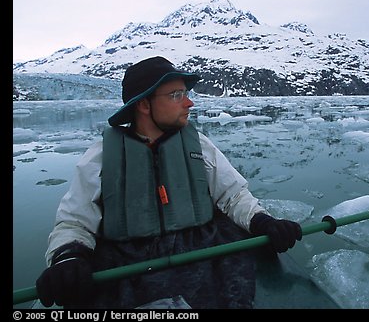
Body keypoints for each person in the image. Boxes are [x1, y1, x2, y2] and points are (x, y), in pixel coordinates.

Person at [35, 56, 303, 309]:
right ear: (143, 104)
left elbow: (233, 196)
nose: (189, 103)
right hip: (127, 261)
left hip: (200, 251)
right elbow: (75, 221)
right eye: (176, 95)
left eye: (186, 94)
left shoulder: (199, 146)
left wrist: (263, 222)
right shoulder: (102, 155)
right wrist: (67, 257)